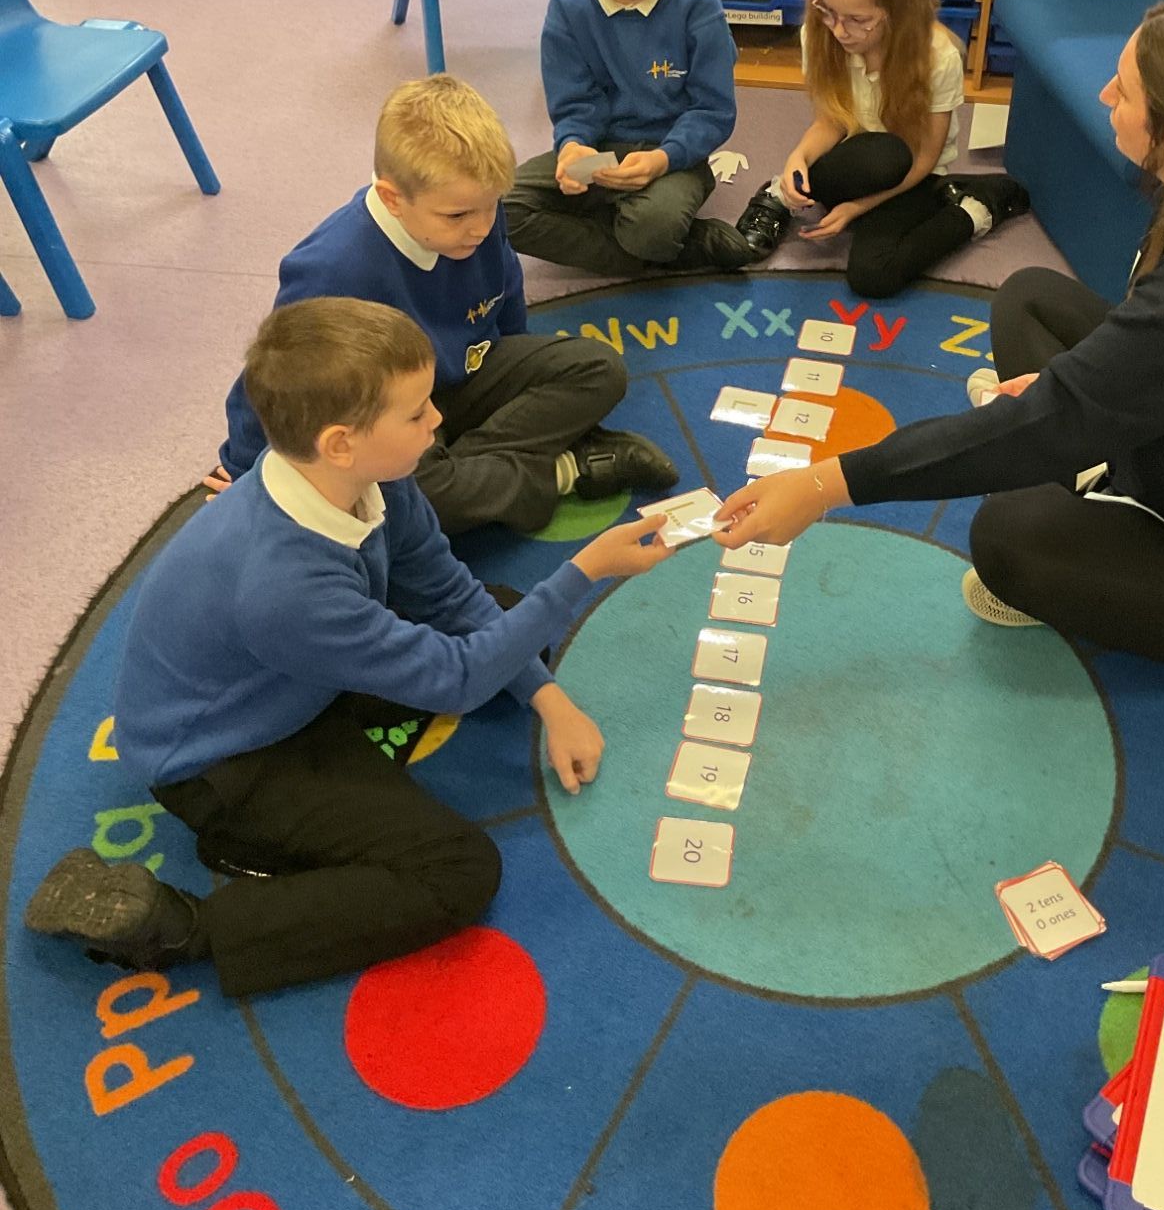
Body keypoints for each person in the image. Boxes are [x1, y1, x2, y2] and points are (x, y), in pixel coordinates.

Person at [713, 0, 1164, 669]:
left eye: (1124, 90)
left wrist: (821, 487)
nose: (1105, 95)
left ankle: (1092, 481)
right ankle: (1091, 469)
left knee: (1008, 538)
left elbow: (1070, 408)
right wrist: (1074, 402)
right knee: (1030, 300)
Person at [26, 298, 678, 997]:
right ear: (341, 442)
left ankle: (309, 813)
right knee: (458, 871)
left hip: (289, 682)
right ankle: (185, 926)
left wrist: (550, 701)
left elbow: (448, 593)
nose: (439, 421)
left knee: (509, 620)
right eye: (417, 413)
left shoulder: (369, 478)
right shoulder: (283, 588)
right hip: (223, 760)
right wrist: (584, 571)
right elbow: (457, 678)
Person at [212, 73, 674, 539]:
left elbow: (506, 298)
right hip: (391, 414)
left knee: (600, 369)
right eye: (457, 216)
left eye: (491, 206)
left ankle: (470, 476)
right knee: (400, 500)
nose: (481, 228)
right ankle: (565, 471)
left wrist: (520, 385)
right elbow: (272, 379)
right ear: (393, 198)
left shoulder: (475, 213)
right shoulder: (333, 270)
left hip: (465, 381)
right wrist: (246, 471)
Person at [734, 0, 1029, 297]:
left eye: (859, 20)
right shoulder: (821, 34)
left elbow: (925, 157)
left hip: (914, 173)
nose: (839, 30)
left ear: (900, 11)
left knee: (873, 275)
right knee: (872, 156)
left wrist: (859, 208)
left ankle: (977, 208)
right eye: (829, 11)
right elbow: (832, 121)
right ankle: (778, 192)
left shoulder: (937, 56)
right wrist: (798, 159)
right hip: (858, 160)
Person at [504, 0, 753, 276]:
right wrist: (573, 147)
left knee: (653, 225)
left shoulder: (698, 4)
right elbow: (575, 105)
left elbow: (713, 111)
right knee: (501, 210)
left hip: (672, 157)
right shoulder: (568, 7)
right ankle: (683, 246)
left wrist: (664, 158)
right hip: (600, 154)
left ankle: (645, 236)